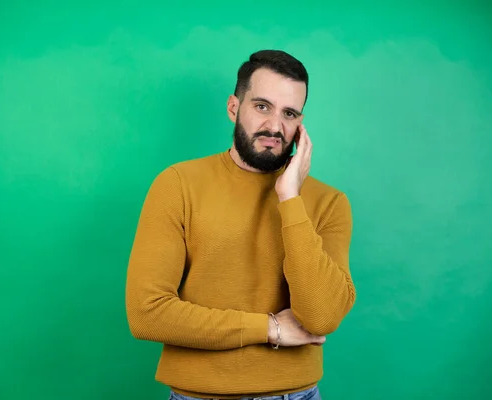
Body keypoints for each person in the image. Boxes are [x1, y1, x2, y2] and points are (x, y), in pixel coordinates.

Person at [125, 49, 356, 400]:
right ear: (234, 107)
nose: (275, 127)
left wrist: (290, 199)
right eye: (262, 106)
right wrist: (271, 328)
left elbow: (321, 317)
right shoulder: (177, 184)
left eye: (289, 113)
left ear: (300, 125)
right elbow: (147, 313)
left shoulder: (329, 202)